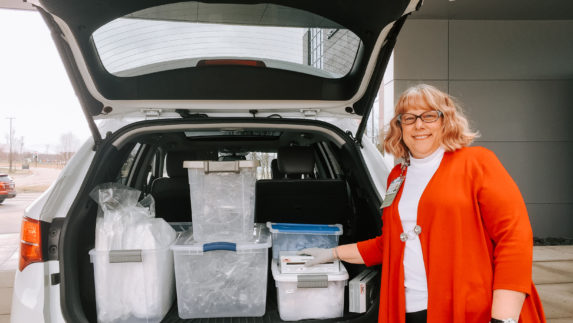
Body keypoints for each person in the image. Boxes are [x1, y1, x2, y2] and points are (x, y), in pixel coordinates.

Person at [299, 84, 546, 323]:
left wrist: (503, 317)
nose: (419, 125)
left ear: (445, 120)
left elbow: (513, 239)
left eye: (429, 116)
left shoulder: (477, 163)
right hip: (408, 308)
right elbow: (390, 244)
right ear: (400, 127)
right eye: (409, 118)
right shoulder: (397, 175)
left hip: (470, 309)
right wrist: (331, 253)